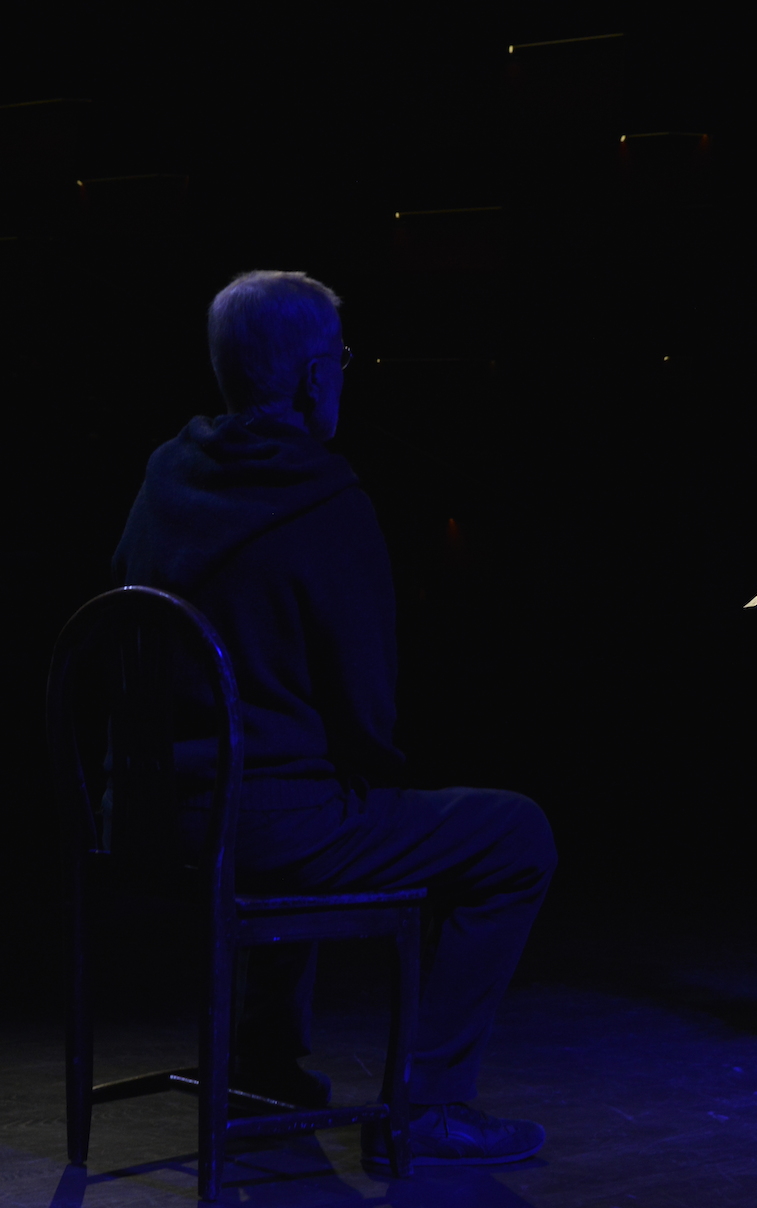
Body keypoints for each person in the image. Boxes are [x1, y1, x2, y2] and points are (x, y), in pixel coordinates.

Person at [112, 270, 557, 1165]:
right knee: (514, 836)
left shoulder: (164, 475)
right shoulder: (324, 500)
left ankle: (266, 1062)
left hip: (143, 818)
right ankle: (425, 1108)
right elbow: (366, 708)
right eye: (341, 361)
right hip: (264, 829)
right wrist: (367, 768)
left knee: (296, 783)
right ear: (316, 377)